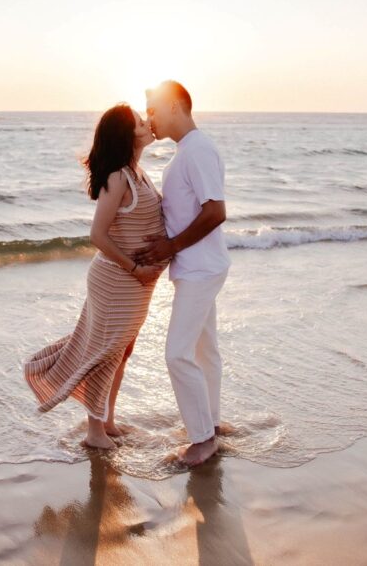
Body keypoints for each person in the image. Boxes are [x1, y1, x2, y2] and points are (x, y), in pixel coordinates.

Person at [23, 104, 166, 449]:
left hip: (137, 282)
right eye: (139, 122)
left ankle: (108, 421)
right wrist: (135, 269)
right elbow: (98, 235)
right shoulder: (118, 176)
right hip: (117, 279)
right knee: (106, 351)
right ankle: (94, 432)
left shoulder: (138, 170)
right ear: (125, 134)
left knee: (122, 350)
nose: (148, 124)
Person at [134, 80, 232, 467]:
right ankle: (211, 423)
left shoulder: (198, 150)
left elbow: (215, 211)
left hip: (200, 268)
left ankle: (203, 439)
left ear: (175, 106)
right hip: (198, 266)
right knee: (206, 351)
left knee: (176, 354)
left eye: (154, 110)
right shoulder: (187, 152)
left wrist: (171, 247)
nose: (149, 119)